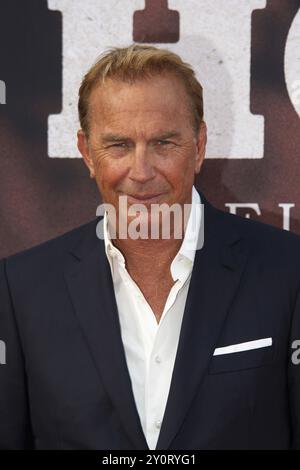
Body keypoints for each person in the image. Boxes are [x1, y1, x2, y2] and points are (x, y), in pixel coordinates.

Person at [0, 44, 300, 450]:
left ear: (199, 146)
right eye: (119, 145)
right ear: (87, 153)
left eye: (163, 143)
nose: (141, 173)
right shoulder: (22, 290)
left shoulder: (287, 271)